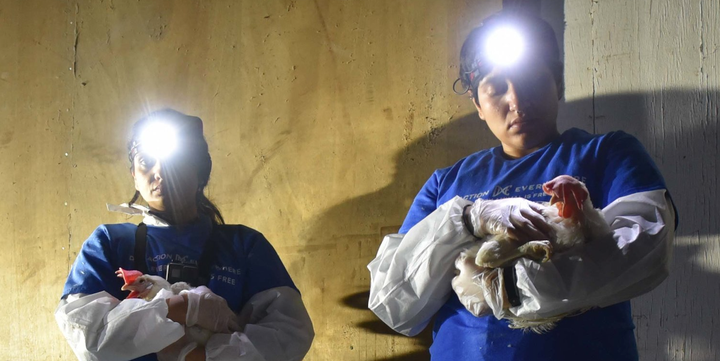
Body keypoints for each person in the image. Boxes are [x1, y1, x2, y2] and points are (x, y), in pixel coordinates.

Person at [368, 11, 676, 361]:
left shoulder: (607, 153)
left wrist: (509, 290)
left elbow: (646, 247)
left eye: (530, 79)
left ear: (557, 82)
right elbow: (394, 303)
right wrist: (467, 219)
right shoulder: (447, 184)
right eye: (496, 87)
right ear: (477, 105)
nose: (516, 100)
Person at [56, 109, 314, 361]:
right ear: (134, 175)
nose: (159, 172)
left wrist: (201, 356)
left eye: (175, 160)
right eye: (146, 161)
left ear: (200, 171)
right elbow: (88, 337)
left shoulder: (245, 245)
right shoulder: (108, 243)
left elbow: (290, 335)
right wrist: (180, 308)